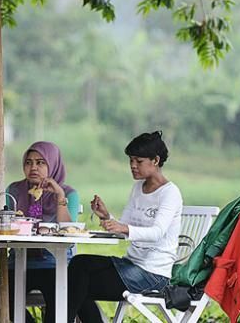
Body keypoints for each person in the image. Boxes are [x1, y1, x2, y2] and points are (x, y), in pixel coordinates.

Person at [67, 131, 183, 323]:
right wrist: (107, 216)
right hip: (130, 264)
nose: (132, 166)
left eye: (138, 161)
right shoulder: (138, 188)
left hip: (153, 274)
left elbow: (157, 233)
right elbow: (125, 225)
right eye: (130, 160)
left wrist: (123, 228)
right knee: (79, 265)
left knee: (77, 284)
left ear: (155, 160)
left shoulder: (170, 193)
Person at [6, 141, 79, 323]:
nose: (34, 168)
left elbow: (69, 232)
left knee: (60, 303)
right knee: (5, 298)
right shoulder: (14, 190)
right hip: (18, 262)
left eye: (41, 163)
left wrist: (59, 197)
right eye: (29, 162)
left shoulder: (68, 193)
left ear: (53, 164)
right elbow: (7, 224)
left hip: (54, 264)